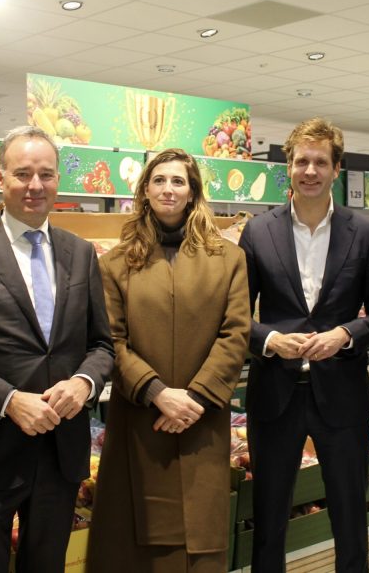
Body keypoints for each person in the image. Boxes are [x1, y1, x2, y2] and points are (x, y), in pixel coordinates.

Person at [0, 126, 114, 573]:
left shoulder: (80, 253)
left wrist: (84, 383)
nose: (35, 185)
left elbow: (103, 345)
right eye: (23, 173)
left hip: (61, 451)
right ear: (0, 177)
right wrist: (8, 400)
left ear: (58, 180)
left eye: (46, 174)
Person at [238, 117, 369, 573]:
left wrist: (345, 334)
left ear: (336, 169)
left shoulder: (364, 232)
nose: (310, 171)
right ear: (288, 166)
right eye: (302, 161)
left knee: (350, 516)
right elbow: (235, 315)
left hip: (343, 395)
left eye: (320, 162)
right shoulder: (258, 231)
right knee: (270, 519)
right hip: (275, 395)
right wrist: (271, 339)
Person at [85, 148, 249, 573]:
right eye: (159, 180)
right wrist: (158, 393)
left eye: (178, 181)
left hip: (202, 420)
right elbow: (111, 340)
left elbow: (236, 333)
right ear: (144, 190)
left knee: (200, 537)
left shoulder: (229, 259)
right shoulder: (115, 263)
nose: (168, 189)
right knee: (132, 544)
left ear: (193, 192)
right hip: (140, 419)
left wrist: (194, 398)